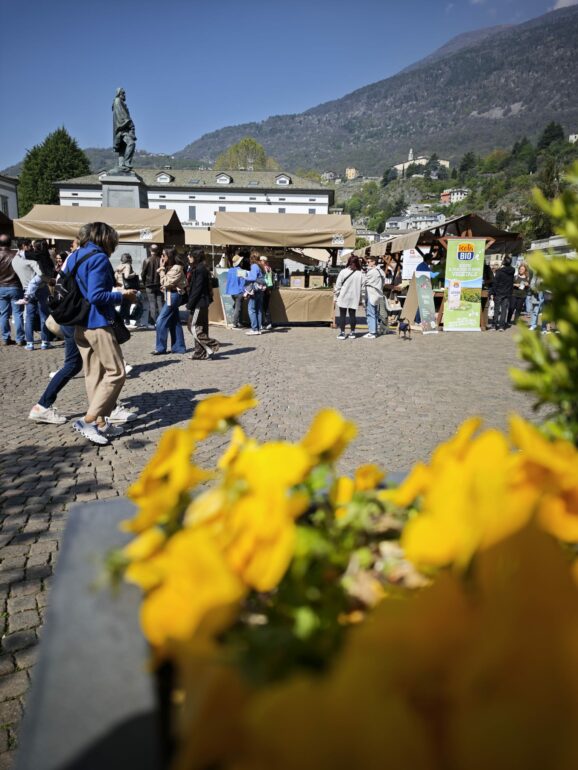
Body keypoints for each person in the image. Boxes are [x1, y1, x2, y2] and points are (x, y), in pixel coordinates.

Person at [64, 222, 137, 445]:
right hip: (96, 322)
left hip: (79, 323)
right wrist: (122, 295)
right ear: (106, 239)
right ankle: (88, 420)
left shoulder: (76, 255)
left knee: (94, 374)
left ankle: (101, 423)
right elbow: (97, 295)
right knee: (116, 372)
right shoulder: (98, 258)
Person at [186, 249, 220, 359]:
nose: (188, 257)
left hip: (199, 302)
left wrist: (190, 304)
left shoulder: (200, 269)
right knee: (201, 327)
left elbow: (198, 288)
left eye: (190, 255)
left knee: (192, 326)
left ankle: (212, 343)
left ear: (195, 257)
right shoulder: (200, 268)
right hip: (202, 302)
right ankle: (200, 353)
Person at [152, 247, 187, 355]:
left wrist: (161, 269)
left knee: (160, 321)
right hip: (170, 295)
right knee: (174, 322)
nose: (162, 257)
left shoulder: (176, 268)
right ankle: (179, 347)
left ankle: (160, 348)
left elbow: (165, 282)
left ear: (169, 256)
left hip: (173, 296)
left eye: (164, 255)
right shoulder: (171, 267)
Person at [0, 235, 25, 346]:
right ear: (10, 243)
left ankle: (5, 338)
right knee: (17, 313)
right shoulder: (16, 255)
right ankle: (20, 339)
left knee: (3, 314)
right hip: (15, 286)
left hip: (1, 287)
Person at [334, 254, 363, 339]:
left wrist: (336, 297)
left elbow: (338, 286)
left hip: (343, 296)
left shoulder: (343, 272)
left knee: (342, 315)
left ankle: (342, 333)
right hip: (354, 297)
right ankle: (352, 332)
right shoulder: (360, 274)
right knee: (352, 315)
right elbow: (363, 288)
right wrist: (362, 300)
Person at [115, 253, 143, 327]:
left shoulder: (118, 266)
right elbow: (127, 276)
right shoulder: (127, 265)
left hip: (120, 288)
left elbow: (115, 278)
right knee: (134, 303)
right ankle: (131, 320)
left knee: (124, 304)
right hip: (127, 288)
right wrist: (134, 274)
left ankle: (124, 321)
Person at [112, 87, 136, 171]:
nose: (125, 95)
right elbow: (123, 116)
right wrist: (129, 123)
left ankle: (121, 165)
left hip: (122, 129)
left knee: (123, 147)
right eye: (123, 93)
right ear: (119, 94)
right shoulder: (117, 101)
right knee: (131, 143)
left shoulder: (120, 102)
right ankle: (126, 162)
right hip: (122, 129)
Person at [362, 255, 385, 339]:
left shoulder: (372, 272)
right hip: (378, 294)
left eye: (368, 262)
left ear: (374, 262)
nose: (367, 263)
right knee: (374, 313)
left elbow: (364, 281)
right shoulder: (381, 271)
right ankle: (374, 331)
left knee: (370, 313)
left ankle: (372, 332)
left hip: (371, 294)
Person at [491, 255, 515, 331]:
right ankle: (501, 326)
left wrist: (492, 292)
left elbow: (495, 283)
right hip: (507, 293)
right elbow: (511, 282)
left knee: (496, 309)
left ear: (504, 262)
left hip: (498, 292)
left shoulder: (499, 271)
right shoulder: (512, 271)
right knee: (504, 310)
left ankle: (494, 325)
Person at [141, 244, 162, 328]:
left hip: (149, 285)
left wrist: (144, 282)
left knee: (152, 303)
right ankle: (161, 321)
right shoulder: (161, 260)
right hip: (159, 284)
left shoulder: (147, 260)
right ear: (157, 251)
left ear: (150, 250)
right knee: (160, 303)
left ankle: (152, 322)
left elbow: (143, 273)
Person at [244, 252, 265, 335]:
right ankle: (259, 329)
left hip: (255, 290)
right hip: (260, 289)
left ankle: (254, 329)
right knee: (259, 310)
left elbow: (253, 277)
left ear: (252, 258)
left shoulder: (254, 266)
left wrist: (244, 277)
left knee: (251, 309)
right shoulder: (261, 266)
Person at [225, 250, 246, 329]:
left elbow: (228, 281)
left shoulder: (230, 270)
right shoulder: (241, 271)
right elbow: (243, 283)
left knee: (238, 307)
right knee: (238, 308)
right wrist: (244, 292)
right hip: (239, 291)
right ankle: (235, 323)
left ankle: (239, 322)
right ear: (240, 262)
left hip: (232, 292)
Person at [260, 255, 275, 330]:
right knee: (266, 306)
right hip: (269, 288)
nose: (260, 262)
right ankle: (268, 322)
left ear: (263, 261)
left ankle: (265, 323)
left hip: (264, 288)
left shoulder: (263, 268)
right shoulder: (269, 268)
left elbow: (263, 279)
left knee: (263, 306)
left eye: (261, 260)